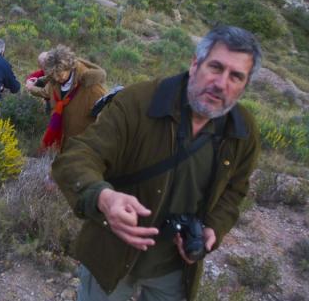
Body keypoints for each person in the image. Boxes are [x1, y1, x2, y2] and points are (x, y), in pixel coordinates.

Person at [52, 26, 262, 301]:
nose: (221, 84)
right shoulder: (139, 102)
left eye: (236, 76)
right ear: (195, 64)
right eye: (216, 67)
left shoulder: (243, 130)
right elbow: (79, 154)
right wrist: (103, 197)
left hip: (176, 268)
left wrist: (214, 227)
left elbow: (235, 189)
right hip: (111, 253)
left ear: (245, 85)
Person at [31, 45, 106, 151]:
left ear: (69, 67)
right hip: (61, 144)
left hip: (82, 145)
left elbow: (105, 114)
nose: (57, 78)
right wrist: (32, 88)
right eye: (54, 75)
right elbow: (46, 92)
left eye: (60, 75)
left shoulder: (91, 86)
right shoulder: (54, 80)